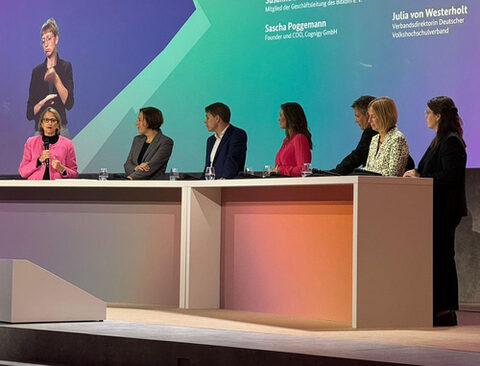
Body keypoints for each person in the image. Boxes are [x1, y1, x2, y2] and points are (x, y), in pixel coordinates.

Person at [404, 96, 467, 326]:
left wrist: (421, 177)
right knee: (436, 258)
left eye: (428, 112)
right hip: (433, 209)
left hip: (445, 210)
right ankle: (437, 308)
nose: (425, 116)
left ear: (438, 115)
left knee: (442, 259)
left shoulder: (451, 141)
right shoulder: (439, 140)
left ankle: (445, 310)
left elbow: (450, 176)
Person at [27, 17, 74, 138]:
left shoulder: (65, 67)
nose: (46, 44)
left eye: (49, 38)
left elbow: (69, 104)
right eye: (43, 41)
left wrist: (56, 79)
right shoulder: (37, 72)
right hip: (41, 131)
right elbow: (29, 114)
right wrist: (43, 102)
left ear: (56, 39)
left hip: (60, 129)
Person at [19, 107, 78, 180]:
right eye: (46, 120)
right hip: (35, 188)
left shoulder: (68, 144)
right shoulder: (31, 142)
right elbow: (23, 172)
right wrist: (39, 160)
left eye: (53, 120)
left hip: (57, 189)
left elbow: (74, 174)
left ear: (58, 125)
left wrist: (62, 169)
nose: (50, 123)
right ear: (41, 124)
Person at [124, 107, 174, 180]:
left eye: (140, 120)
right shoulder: (137, 140)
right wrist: (136, 168)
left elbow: (151, 167)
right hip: (134, 185)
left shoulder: (165, 142)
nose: (136, 123)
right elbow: (127, 165)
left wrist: (130, 178)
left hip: (154, 187)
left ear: (149, 121)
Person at [364, 97, 409, 176]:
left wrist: (369, 174)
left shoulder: (397, 138)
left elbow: (394, 173)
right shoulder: (374, 139)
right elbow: (368, 168)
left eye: (373, 116)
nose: (369, 121)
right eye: (369, 116)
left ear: (384, 116)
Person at [333, 96, 377, 175]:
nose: (355, 120)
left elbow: (358, 155)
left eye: (357, 116)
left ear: (368, 115)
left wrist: (336, 172)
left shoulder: (370, 132)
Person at [203, 102, 247, 179]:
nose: (205, 121)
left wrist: (225, 178)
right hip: (210, 185)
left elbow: (232, 159)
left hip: (227, 185)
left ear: (217, 118)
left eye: (208, 118)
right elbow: (208, 166)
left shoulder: (237, 134)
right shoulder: (211, 140)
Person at [273, 102, 312, 177]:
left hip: (295, 187)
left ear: (290, 117)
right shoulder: (286, 141)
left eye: (281, 115)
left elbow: (303, 170)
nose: (279, 119)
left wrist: (280, 170)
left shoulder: (299, 138)